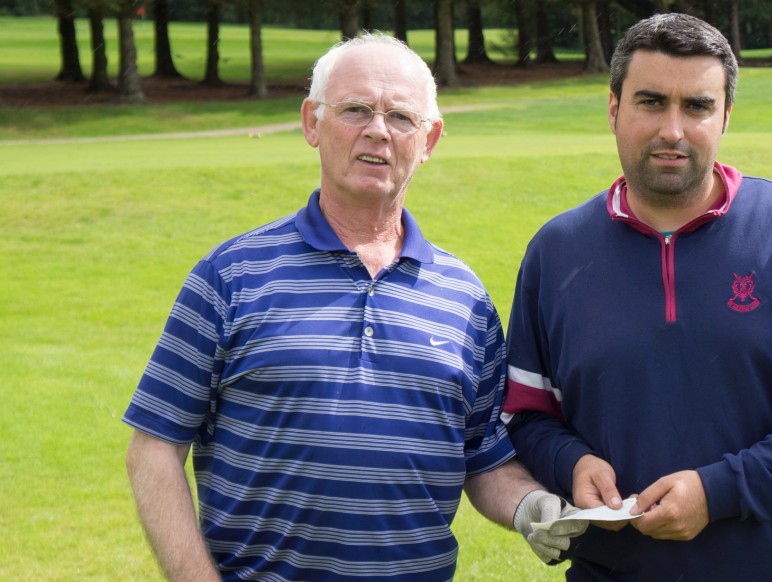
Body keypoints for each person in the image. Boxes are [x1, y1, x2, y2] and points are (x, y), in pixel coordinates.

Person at [123, 34, 582, 581]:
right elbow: (153, 449)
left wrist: (530, 507)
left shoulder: (464, 298)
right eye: (356, 110)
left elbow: (484, 459)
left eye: (401, 117)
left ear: (429, 138)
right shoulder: (231, 275)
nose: (378, 131)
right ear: (312, 123)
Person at [501, 13, 772, 580]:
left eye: (698, 106)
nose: (673, 130)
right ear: (613, 109)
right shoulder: (556, 250)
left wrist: (720, 491)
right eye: (651, 102)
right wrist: (572, 464)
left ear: (726, 116)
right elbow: (526, 414)